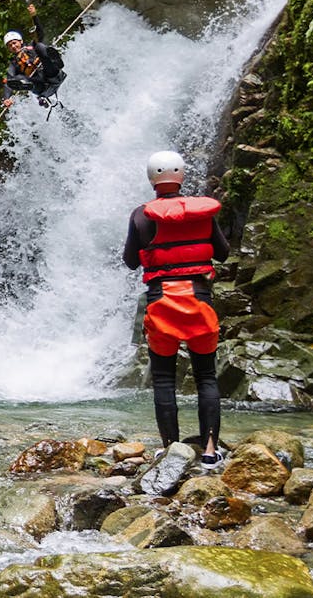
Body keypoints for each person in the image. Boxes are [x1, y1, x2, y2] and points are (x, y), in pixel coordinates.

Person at [122, 150, 229, 467]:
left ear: (151, 179)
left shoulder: (141, 215)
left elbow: (130, 261)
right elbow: (222, 253)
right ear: (181, 176)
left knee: (165, 380)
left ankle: (170, 449)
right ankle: (210, 451)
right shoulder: (202, 213)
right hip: (198, 299)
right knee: (206, 378)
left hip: (161, 302)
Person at [1, 3, 66, 108]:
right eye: (10, 45)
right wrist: (6, 98)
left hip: (52, 75)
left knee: (40, 47)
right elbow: (8, 82)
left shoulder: (32, 46)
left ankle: (55, 61)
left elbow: (40, 33)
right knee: (17, 78)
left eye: (14, 42)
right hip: (42, 88)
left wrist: (34, 16)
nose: (13, 46)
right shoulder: (14, 64)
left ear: (20, 41)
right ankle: (27, 85)